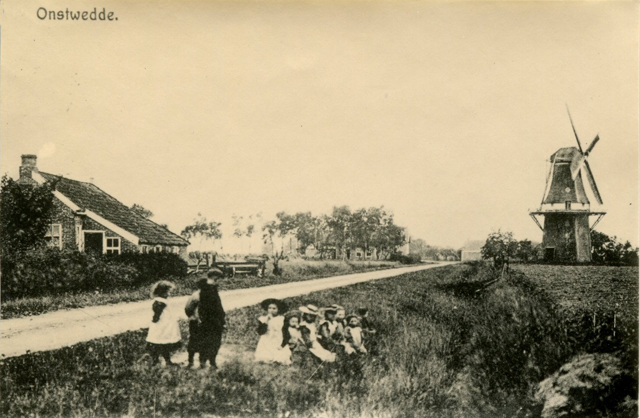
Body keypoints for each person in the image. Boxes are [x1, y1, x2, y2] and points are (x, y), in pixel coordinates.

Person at [187, 269, 226, 370]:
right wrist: (194, 318)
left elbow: (218, 307)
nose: (220, 283)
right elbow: (188, 308)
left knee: (212, 342)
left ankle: (208, 361)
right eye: (219, 280)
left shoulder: (213, 290)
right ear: (215, 278)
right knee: (203, 342)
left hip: (213, 322)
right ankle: (201, 362)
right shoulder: (199, 293)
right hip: (204, 323)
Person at [146, 281, 181, 366]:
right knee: (159, 343)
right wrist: (155, 319)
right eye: (168, 292)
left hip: (164, 325)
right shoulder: (160, 302)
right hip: (161, 325)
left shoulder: (162, 301)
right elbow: (157, 313)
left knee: (162, 343)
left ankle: (165, 361)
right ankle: (156, 361)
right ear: (162, 292)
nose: (169, 294)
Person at [254, 298, 290, 364]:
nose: (271, 310)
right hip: (266, 339)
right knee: (265, 357)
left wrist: (282, 344)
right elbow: (260, 332)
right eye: (270, 308)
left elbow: (286, 333)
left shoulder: (282, 319)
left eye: (274, 308)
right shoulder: (263, 319)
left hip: (277, 339)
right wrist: (266, 321)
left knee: (280, 358)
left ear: (278, 309)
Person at [184, 277, 208, 368]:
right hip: (199, 322)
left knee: (195, 341)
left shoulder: (196, 295)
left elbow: (187, 308)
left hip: (200, 322)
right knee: (198, 341)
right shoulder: (197, 296)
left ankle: (194, 361)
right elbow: (188, 308)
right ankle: (197, 361)